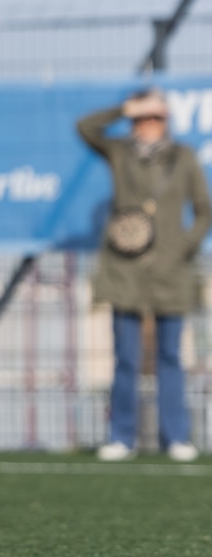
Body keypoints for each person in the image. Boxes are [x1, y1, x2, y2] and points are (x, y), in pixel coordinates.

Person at [77, 88, 211, 461]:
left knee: (171, 356)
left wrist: (184, 246)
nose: (149, 124)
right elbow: (85, 128)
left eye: (156, 117)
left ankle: (176, 437)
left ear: (166, 120)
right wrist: (124, 108)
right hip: (125, 271)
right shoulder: (119, 153)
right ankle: (122, 437)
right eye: (142, 117)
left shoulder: (182, 157)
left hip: (171, 272)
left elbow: (204, 209)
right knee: (126, 357)